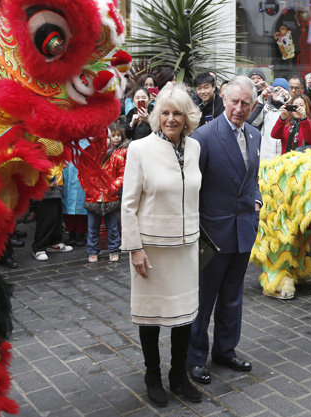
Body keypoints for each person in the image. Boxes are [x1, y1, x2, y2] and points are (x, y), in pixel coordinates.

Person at [121, 84, 202, 407]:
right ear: (157, 116)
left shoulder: (195, 148)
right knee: (151, 316)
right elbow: (127, 204)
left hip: (185, 246)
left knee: (184, 316)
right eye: (165, 113)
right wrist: (134, 248)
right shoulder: (139, 149)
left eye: (177, 113)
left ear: (187, 117)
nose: (171, 119)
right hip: (151, 248)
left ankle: (178, 375)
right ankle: (152, 375)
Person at [187, 76, 262, 385]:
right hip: (212, 233)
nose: (239, 108)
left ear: (254, 105)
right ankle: (194, 358)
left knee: (233, 297)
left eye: (246, 103)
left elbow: (252, 177)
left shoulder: (255, 135)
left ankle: (225, 350)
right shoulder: (204, 136)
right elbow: (192, 187)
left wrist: (257, 199)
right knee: (203, 301)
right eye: (235, 102)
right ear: (224, 99)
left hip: (243, 229)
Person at [85, 125, 127, 263]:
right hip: (93, 199)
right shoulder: (88, 156)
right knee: (92, 228)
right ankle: (92, 251)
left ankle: (113, 249)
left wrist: (114, 186)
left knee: (113, 227)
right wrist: (90, 188)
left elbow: (122, 173)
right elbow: (81, 174)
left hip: (111, 198)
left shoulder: (116, 157)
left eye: (106, 139)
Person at [32, 165, 73, 261]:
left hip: (55, 183)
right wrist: (51, 178)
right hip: (46, 184)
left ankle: (54, 243)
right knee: (46, 218)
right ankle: (38, 248)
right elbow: (39, 162)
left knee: (56, 216)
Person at [248, 78, 290, 160]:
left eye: (282, 90)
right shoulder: (265, 107)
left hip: (285, 155)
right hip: (266, 154)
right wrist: (261, 99)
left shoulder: (289, 108)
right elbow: (252, 121)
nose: (278, 93)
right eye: (276, 89)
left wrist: (288, 99)